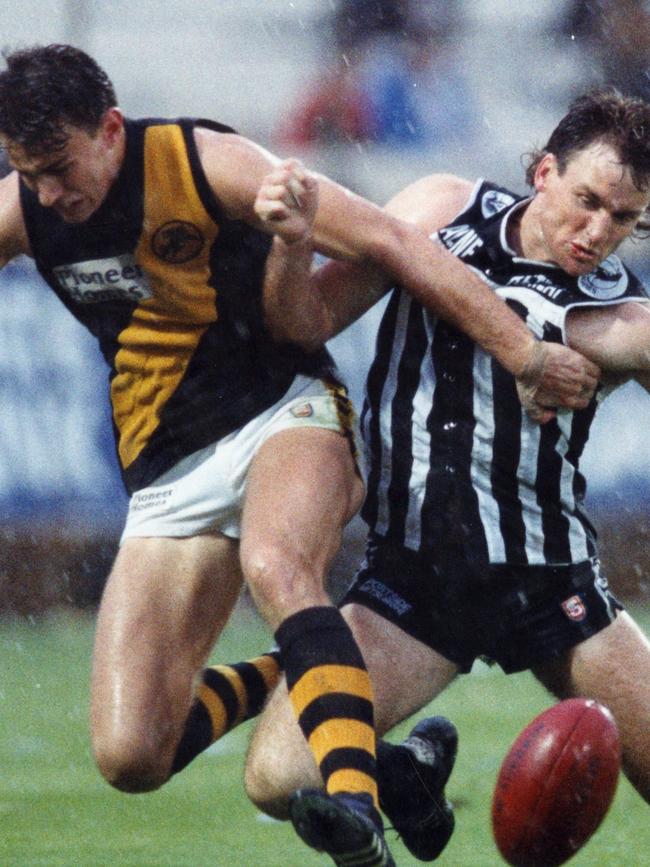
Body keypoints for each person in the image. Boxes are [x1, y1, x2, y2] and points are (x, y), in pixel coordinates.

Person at [0, 44, 598, 867]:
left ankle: (355, 820)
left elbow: (391, 239)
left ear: (110, 128)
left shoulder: (207, 163)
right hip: (166, 465)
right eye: (27, 174)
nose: (49, 194)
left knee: (279, 566)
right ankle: (383, 753)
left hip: (284, 407)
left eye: (59, 168)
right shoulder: (26, 210)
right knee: (132, 753)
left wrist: (522, 352)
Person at [174, 87, 650, 862]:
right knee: (281, 778)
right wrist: (293, 246)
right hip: (415, 583)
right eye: (587, 200)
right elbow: (306, 324)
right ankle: (405, 773)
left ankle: (376, 753)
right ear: (543, 171)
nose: (597, 232)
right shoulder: (440, 210)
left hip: (551, 581)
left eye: (625, 218)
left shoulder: (621, 315)